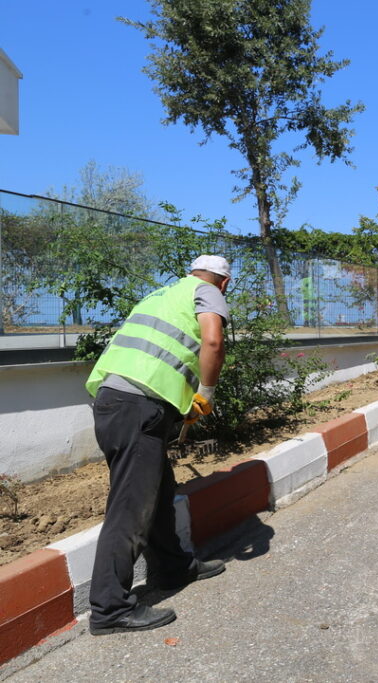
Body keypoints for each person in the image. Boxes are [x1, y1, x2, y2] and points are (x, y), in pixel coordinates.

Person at [83, 255, 232, 635]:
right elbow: (213, 340)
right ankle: (109, 609)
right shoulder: (208, 292)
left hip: (118, 401)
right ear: (224, 283)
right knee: (131, 507)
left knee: (160, 490)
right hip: (138, 406)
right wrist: (206, 393)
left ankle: (172, 568)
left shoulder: (161, 294)